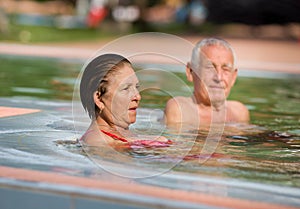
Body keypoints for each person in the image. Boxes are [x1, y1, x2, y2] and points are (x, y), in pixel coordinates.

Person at [80, 53, 169, 147]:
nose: (138, 96)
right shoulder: (97, 141)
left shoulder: (121, 136)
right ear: (99, 99)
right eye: (126, 88)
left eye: (137, 87)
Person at [164, 38, 250, 129]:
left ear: (233, 77)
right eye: (209, 67)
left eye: (225, 69)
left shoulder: (239, 112)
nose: (218, 77)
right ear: (190, 72)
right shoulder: (180, 110)